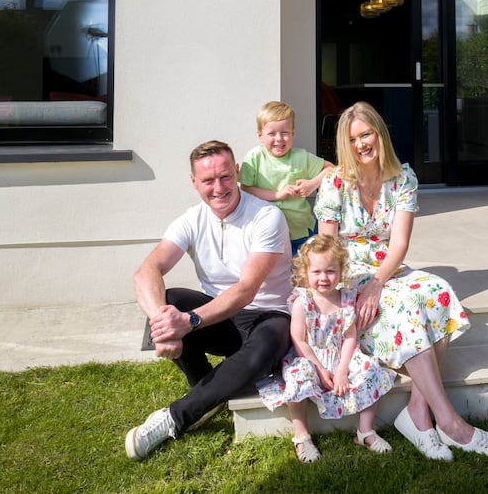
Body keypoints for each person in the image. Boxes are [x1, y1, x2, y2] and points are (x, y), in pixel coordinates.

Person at [314, 102, 488, 461]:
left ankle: (417, 412)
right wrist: (353, 290)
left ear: (380, 133)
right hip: (345, 275)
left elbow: (400, 244)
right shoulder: (334, 182)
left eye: (367, 134)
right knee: (406, 307)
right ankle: (451, 423)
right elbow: (326, 249)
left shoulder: (402, 178)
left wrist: (377, 282)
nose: (361, 144)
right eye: (353, 139)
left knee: (438, 291)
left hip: (386, 270)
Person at [125, 139, 293, 461]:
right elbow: (146, 271)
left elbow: (247, 289)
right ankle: (205, 387)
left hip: (268, 315)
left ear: (237, 172)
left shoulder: (267, 217)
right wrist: (163, 324)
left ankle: (176, 417)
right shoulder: (191, 219)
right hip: (222, 319)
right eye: (208, 180)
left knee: (267, 343)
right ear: (194, 182)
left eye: (225, 176)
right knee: (169, 299)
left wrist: (188, 322)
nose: (219, 187)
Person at [257, 233, 396, 462]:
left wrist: (342, 371)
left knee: (371, 368)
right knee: (298, 375)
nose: (324, 278)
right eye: (316, 272)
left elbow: (350, 337)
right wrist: (321, 370)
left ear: (341, 271)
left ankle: (366, 431)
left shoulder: (346, 299)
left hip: (341, 355)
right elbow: (299, 339)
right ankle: (302, 436)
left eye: (330, 271)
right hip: (311, 358)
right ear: (305, 273)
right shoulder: (303, 301)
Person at [240, 100, 335, 253]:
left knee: (305, 272)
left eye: (284, 133)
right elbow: (245, 189)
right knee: (275, 275)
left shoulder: (301, 157)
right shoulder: (255, 157)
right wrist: (277, 194)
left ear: (293, 133)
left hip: (301, 231)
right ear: (260, 136)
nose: (279, 138)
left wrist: (313, 184)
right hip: (267, 234)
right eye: (271, 133)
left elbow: (333, 169)